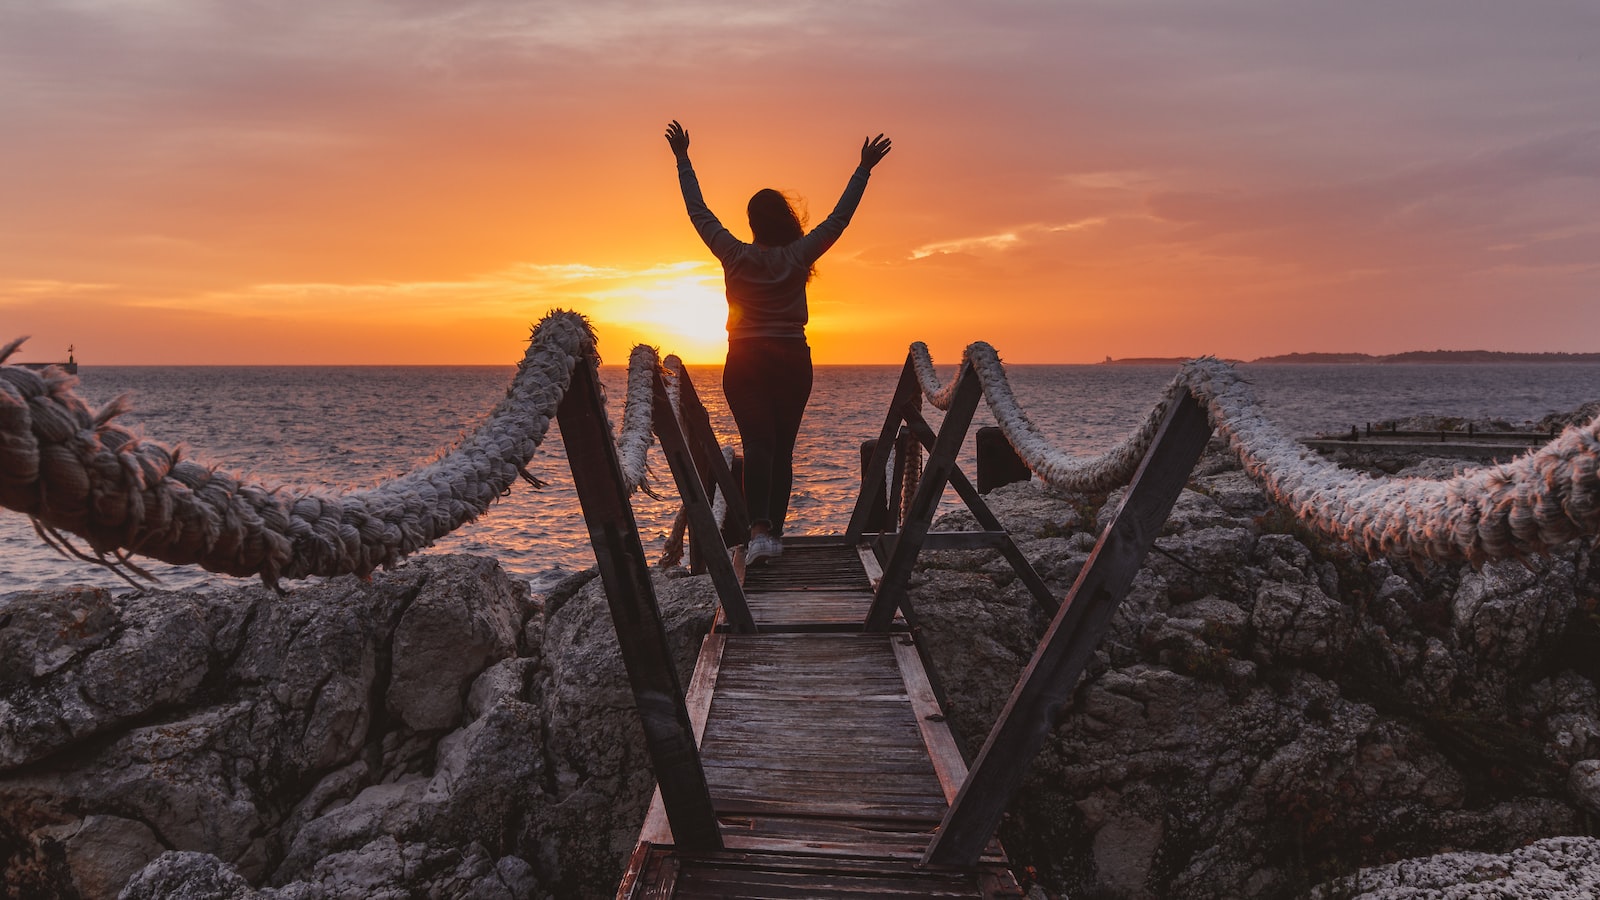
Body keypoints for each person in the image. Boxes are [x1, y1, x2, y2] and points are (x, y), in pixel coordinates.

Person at [665, 119, 892, 565]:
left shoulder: (734, 254)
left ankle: (761, 531)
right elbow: (838, 220)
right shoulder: (797, 255)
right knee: (781, 449)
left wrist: (683, 159)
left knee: (758, 446)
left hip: (745, 360)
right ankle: (772, 532)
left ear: (751, 222)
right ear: (783, 220)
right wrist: (863, 169)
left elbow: (698, 212)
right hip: (790, 359)